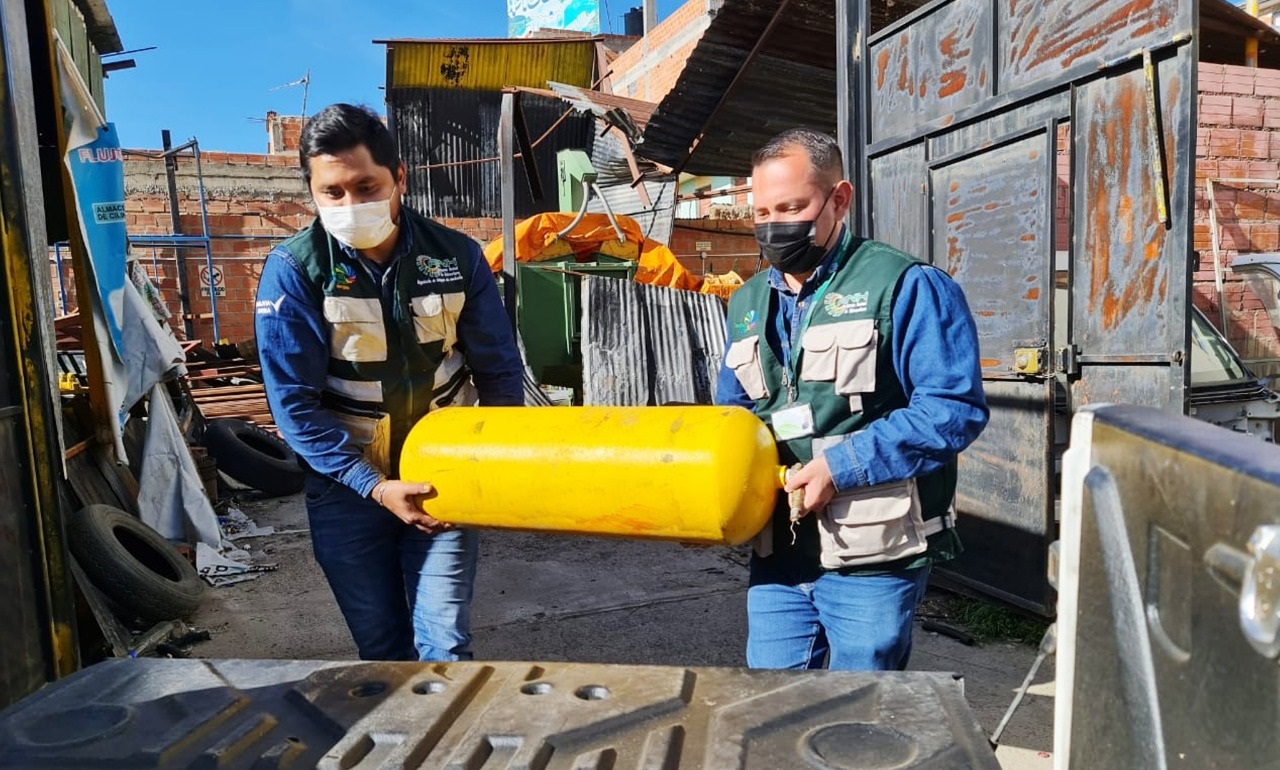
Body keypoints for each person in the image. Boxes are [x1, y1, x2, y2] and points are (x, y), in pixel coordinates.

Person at [254, 103, 523, 661]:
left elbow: (498, 371)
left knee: (445, 646)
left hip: (442, 478)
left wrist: (493, 467)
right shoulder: (295, 269)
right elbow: (294, 406)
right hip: (346, 488)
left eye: (365, 186)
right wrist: (374, 487)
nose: (350, 204)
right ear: (313, 193)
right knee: (381, 648)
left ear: (399, 178)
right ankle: (400, 746)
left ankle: (447, 745)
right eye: (332, 193)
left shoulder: (456, 256)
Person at [717, 127, 989, 671]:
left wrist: (838, 467)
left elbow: (952, 409)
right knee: (770, 705)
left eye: (791, 207)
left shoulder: (906, 284)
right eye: (761, 213)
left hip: (873, 557)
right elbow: (737, 416)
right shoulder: (746, 301)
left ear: (838, 199)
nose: (774, 227)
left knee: (860, 716)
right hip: (780, 559)